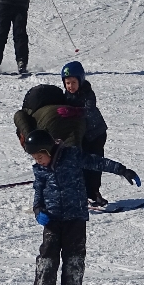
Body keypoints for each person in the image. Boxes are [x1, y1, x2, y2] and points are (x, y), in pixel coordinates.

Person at [25, 130, 141, 285]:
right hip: (52, 218)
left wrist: (122, 170)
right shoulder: (40, 169)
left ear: (48, 150)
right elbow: (38, 191)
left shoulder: (71, 156)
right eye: (35, 158)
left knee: (74, 258)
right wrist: (38, 209)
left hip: (76, 217)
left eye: (40, 156)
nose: (38, 161)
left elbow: (97, 162)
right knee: (47, 255)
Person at [61, 61, 111, 207]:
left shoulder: (87, 92)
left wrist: (76, 111)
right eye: (67, 83)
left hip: (96, 134)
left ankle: (95, 192)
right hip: (81, 136)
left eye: (74, 82)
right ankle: (82, 194)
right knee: (80, 164)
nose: (71, 86)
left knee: (95, 163)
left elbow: (90, 108)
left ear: (81, 80)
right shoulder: (66, 96)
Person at [0, 0, 49, 78]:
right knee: (0, 33)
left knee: (20, 34)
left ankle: (22, 62)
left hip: (20, 4)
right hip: (4, 2)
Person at [14, 84, 85, 151]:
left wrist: (30, 139)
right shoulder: (60, 101)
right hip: (76, 117)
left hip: (51, 122)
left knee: (63, 158)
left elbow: (19, 116)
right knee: (76, 151)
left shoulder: (28, 112)